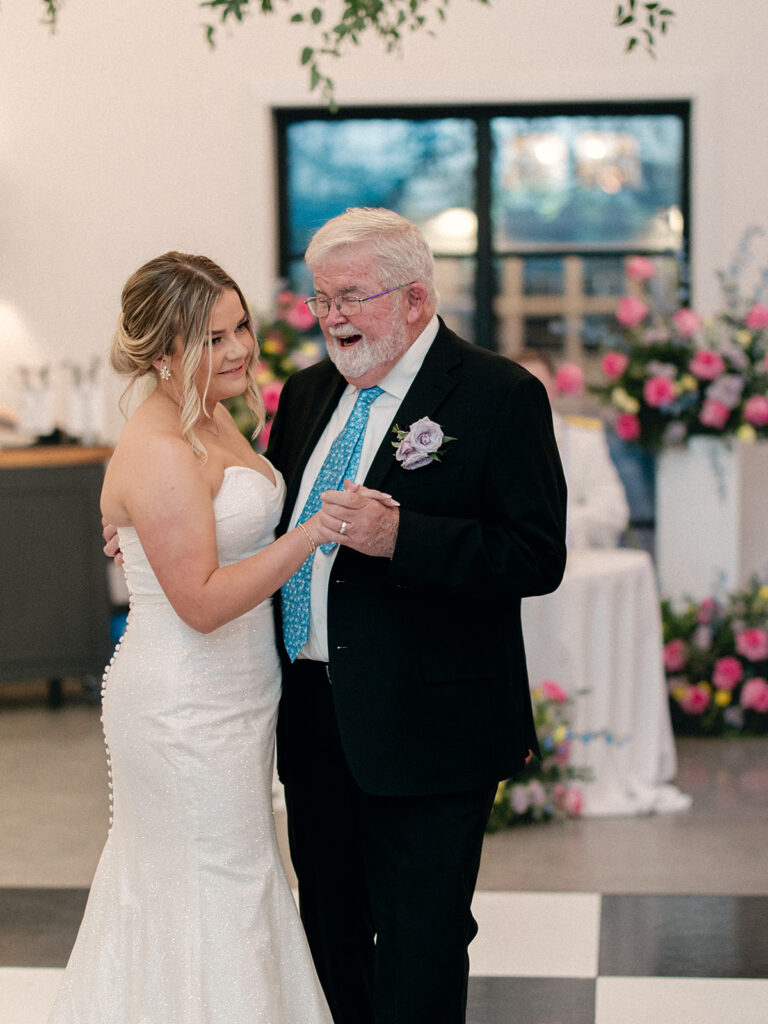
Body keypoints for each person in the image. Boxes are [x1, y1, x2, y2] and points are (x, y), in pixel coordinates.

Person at [50, 252, 395, 1023]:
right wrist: (314, 533)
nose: (239, 349)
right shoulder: (161, 447)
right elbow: (201, 603)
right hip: (184, 707)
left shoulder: (213, 415)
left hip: (237, 697)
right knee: (215, 886)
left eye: (241, 327)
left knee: (234, 878)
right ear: (163, 351)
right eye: (213, 339)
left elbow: (212, 533)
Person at [264, 208, 568, 1024]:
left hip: (433, 720)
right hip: (314, 711)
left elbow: (537, 556)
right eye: (322, 297)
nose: (332, 317)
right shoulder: (305, 392)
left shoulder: (500, 395)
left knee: (421, 938)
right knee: (327, 929)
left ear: (415, 299)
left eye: (353, 296)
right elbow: (266, 524)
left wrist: (403, 537)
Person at [517, 348, 630, 549]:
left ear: (553, 388)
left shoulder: (583, 441)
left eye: (537, 385)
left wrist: (553, 526)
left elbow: (613, 510)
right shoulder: (487, 443)